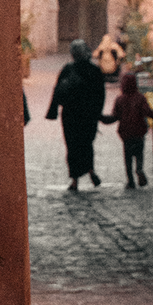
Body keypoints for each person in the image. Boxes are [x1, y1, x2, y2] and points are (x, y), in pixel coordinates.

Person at [45, 39, 108, 192]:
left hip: (70, 115)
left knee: (72, 146)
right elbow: (101, 94)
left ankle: (75, 181)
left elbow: (57, 90)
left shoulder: (68, 69)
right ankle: (91, 171)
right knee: (87, 144)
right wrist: (97, 113)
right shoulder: (94, 70)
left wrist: (53, 111)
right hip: (88, 115)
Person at [111, 70, 153, 190]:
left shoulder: (119, 100)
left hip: (126, 134)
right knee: (139, 155)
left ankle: (130, 181)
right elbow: (147, 112)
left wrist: (101, 118)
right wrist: (152, 114)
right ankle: (139, 169)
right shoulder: (140, 98)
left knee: (128, 159)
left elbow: (114, 116)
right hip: (139, 133)